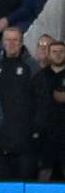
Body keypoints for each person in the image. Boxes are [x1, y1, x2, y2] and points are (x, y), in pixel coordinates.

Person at [0, 27, 40, 180]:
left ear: (21, 42)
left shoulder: (32, 67)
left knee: (25, 180)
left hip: (25, 139)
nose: (11, 43)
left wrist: (35, 128)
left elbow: (39, 100)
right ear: (2, 42)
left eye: (15, 40)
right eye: (7, 39)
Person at [33, 40, 65, 181]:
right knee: (44, 173)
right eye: (54, 51)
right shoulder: (40, 76)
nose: (58, 55)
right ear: (48, 54)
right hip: (46, 135)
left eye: (61, 51)